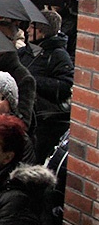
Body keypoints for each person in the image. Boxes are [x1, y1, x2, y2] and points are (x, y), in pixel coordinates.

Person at [19, 10, 74, 161]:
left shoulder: (58, 55)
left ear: (42, 31)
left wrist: (32, 80)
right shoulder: (23, 53)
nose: (27, 30)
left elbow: (64, 87)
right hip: (22, 116)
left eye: (32, 27)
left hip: (43, 125)